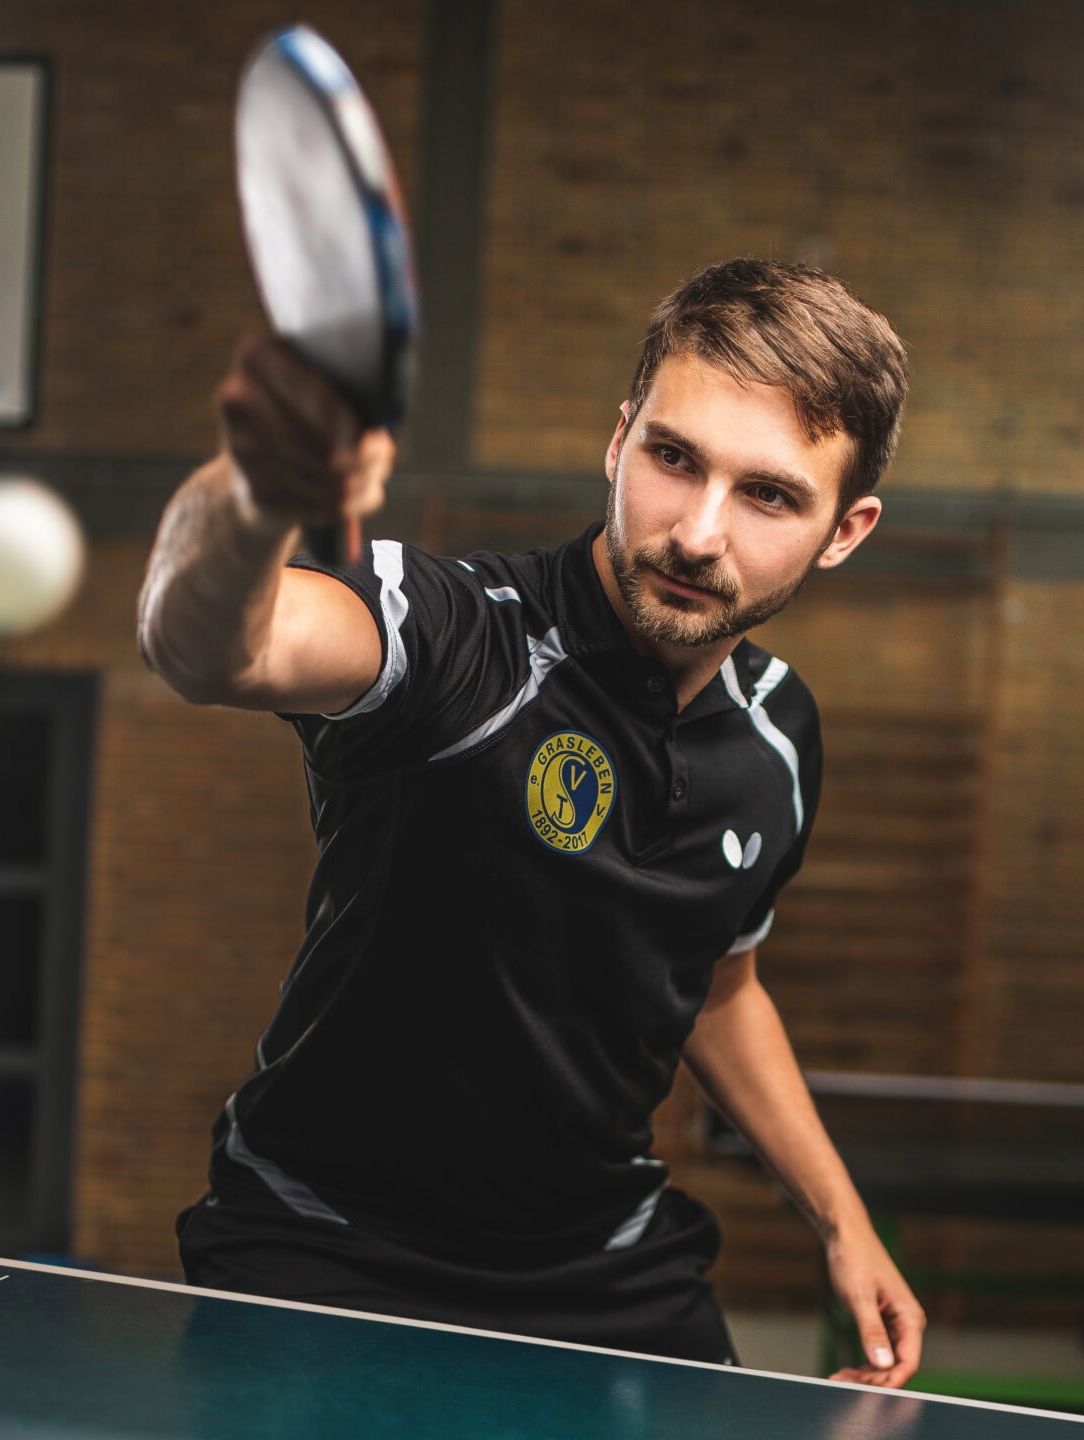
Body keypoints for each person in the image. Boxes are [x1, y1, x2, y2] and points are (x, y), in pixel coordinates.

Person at [138, 259, 924, 1385]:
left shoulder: (779, 741)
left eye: (767, 494)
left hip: (599, 1269)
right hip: (328, 1247)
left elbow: (717, 985)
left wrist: (842, 1220)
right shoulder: (460, 639)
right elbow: (212, 646)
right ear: (618, 442)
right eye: (672, 458)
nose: (698, 532)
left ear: (844, 530)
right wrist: (253, 488)